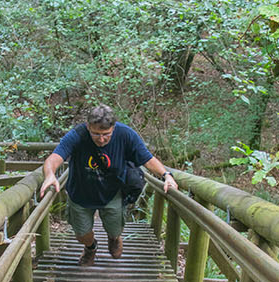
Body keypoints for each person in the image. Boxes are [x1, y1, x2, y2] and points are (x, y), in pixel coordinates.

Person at [40, 104, 178, 263]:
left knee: (115, 230)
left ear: (113, 128)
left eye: (106, 134)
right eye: (96, 134)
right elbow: (56, 156)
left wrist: (166, 175)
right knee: (81, 234)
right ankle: (91, 247)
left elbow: (147, 159)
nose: (101, 139)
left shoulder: (125, 134)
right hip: (80, 192)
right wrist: (50, 174)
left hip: (112, 192)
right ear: (88, 126)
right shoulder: (77, 134)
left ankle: (114, 238)